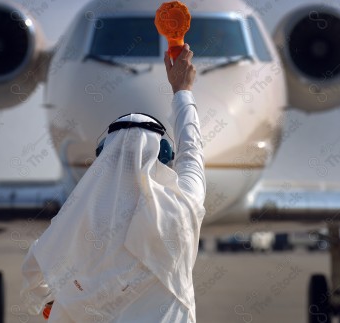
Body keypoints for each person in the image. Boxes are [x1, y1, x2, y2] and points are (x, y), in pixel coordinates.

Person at [20, 43, 206, 322]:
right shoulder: (183, 206)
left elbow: (35, 268)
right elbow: (192, 148)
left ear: (104, 157)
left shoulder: (82, 216)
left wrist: (52, 300)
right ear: (162, 155)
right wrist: (182, 90)